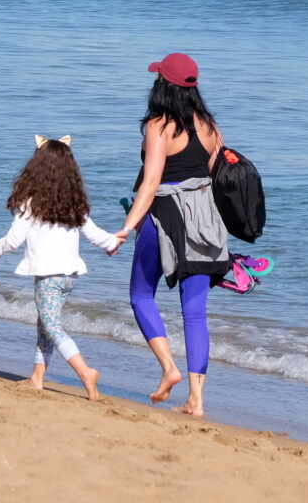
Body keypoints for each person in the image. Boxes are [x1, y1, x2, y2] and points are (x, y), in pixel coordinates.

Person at [115, 53, 230, 418]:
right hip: (205, 223)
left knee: (140, 295)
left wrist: (126, 228)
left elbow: (151, 184)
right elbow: (216, 180)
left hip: (163, 219)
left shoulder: (159, 126)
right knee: (194, 313)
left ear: (163, 85)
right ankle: (197, 399)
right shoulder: (210, 127)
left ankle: (169, 368)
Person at [0, 135, 123, 401]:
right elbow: (94, 233)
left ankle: (85, 372)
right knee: (45, 325)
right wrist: (112, 243)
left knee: (52, 326)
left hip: (48, 276)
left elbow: (13, 240)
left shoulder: (30, 202)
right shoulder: (73, 203)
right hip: (69, 276)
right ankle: (37, 377)